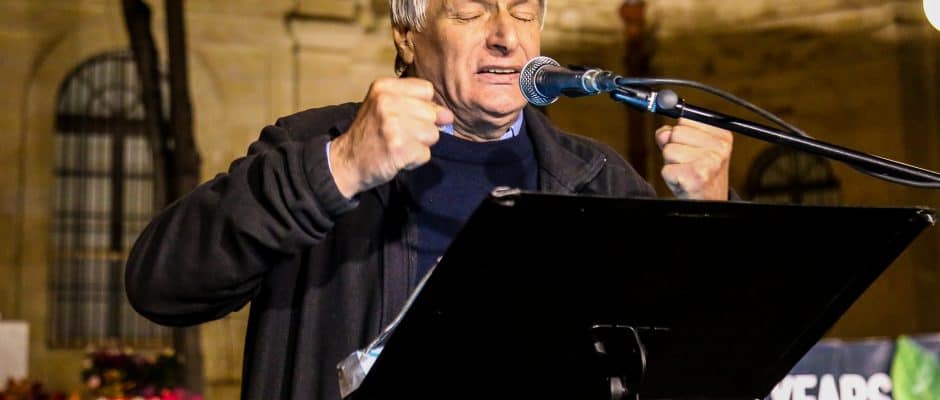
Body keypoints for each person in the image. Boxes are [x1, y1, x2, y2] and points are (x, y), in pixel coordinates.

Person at [125, 0, 734, 398]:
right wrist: (339, 168)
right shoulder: (315, 144)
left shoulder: (598, 178)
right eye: (470, 12)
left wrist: (716, 218)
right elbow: (161, 285)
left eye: (525, 14)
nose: (506, 37)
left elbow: (700, 361)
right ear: (407, 34)